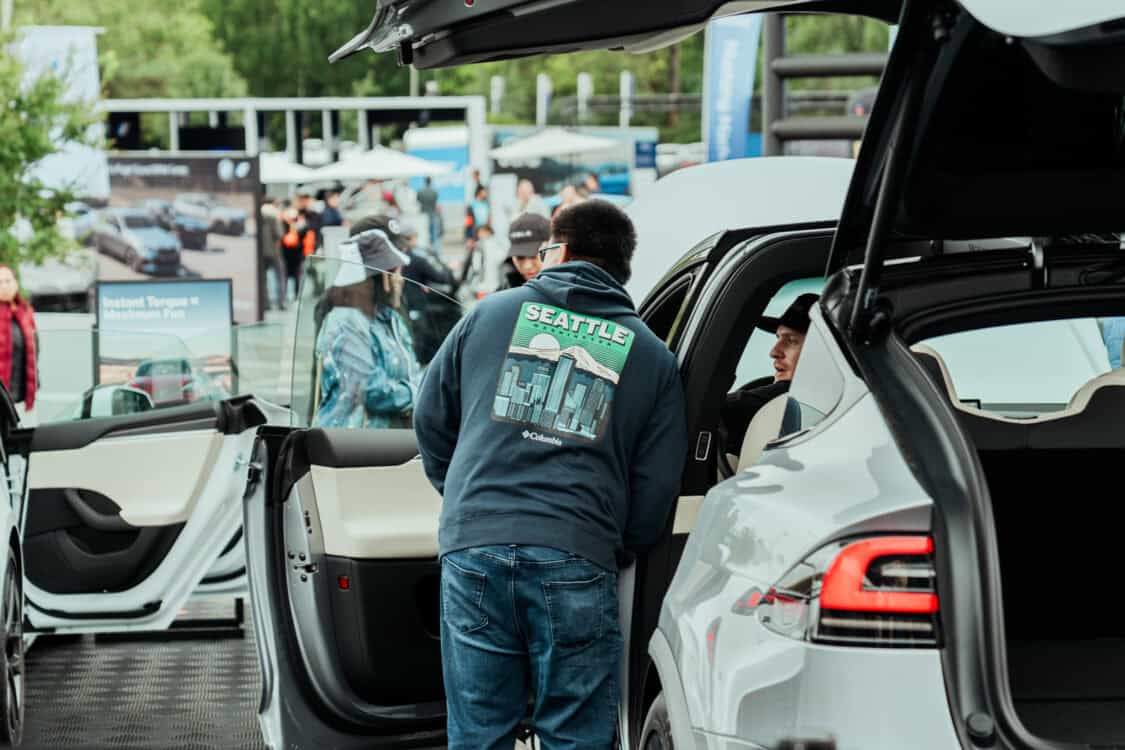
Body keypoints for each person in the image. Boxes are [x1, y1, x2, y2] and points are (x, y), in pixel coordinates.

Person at [414, 200, 687, 750]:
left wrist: (470, 499)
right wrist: (605, 540)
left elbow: (429, 418)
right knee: (575, 735)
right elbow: (656, 491)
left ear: (556, 251)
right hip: (577, 556)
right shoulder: (653, 357)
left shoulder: (488, 315)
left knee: (478, 731)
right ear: (623, 267)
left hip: (475, 550)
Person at [314, 218, 421, 429]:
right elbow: (369, 388)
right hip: (356, 444)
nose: (400, 280)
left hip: (389, 440)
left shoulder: (390, 318)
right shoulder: (346, 322)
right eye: (395, 272)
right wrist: (417, 393)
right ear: (379, 277)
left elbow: (412, 369)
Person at [722, 293, 819, 454]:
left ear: (822, 351)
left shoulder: (787, 397)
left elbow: (723, 408)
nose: (774, 352)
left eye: (791, 340)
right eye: (778, 338)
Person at [0, 266, 37, 424]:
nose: (5, 285)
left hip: (22, 395)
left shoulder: (25, 312)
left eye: (8, 281)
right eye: (0, 282)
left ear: (15, 283)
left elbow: (35, 351)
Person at [496, 212, 549, 291]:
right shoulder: (502, 292)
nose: (527, 266)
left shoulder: (571, 289)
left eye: (533, 256)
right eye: (520, 257)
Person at [260, 198, 286, 311]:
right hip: (274, 251)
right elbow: (279, 234)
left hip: (261, 252)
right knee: (279, 277)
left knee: (263, 279)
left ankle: (266, 303)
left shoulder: (259, 212)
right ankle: (281, 302)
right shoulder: (274, 213)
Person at [280, 204, 305, 303]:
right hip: (286, 255)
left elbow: (303, 237)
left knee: (296, 276)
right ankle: (285, 296)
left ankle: (295, 296)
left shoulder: (300, 226)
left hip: (296, 255)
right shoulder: (284, 225)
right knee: (286, 276)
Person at [418, 177, 443, 250]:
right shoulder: (434, 192)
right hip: (433, 214)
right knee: (435, 236)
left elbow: (418, 202)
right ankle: (436, 252)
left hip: (423, 216)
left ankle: (426, 250)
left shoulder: (420, 192)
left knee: (425, 235)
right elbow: (436, 204)